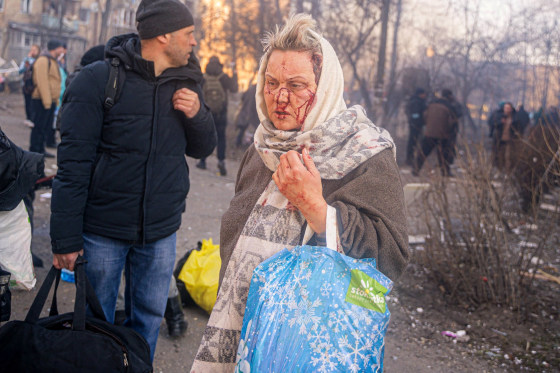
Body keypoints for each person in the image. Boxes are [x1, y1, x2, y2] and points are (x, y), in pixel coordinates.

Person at [192, 14, 409, 372]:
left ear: (324, 88)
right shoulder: (261, 148)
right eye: (271, 82)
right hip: (241, 338)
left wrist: (317, 208)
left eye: (295, 85)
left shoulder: (366, 154)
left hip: (313, 351)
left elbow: (392, 258)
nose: (279, 97)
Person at [49, 0, 216, 362]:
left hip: (159, 232)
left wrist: (198, 114)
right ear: (163, 35)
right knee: (96, 322)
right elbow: (73, 164)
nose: (193, 43)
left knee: (149, 321)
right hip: (102, 232)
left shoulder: (188, 81)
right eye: (188, 34)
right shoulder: (98, 80)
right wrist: (65, 238)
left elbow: (203, 147)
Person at [196, 56, 238, 176]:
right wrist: (235, 74)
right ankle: (221, 162)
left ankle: (202, 161)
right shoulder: (223, 77)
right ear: (219, 64)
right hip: (221, 113)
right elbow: (234, 89)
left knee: (206, 136)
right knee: (221, 137)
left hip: (206, 113)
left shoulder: (204, 77)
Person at [29, 40, 64, 158]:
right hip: (41, 100)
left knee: (44, 127)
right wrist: (47, 101)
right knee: (39, 126)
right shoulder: (43, 60)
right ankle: (35, 150)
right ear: (56, 48)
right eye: (61, 48)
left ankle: (40, 149)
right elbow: (42, 82)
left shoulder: (52, 61)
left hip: (50, 100)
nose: (63, 51)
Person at [412, 89, 458, 177]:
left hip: (429, 133)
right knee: (443, 155)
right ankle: (445, 172)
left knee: (423, 152)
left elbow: (425, 116)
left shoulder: (431, 104)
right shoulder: (449, 107)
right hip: (443, 135)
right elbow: (451, 122)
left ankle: (416, 169)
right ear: (449, 96)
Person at [491, 102, 524, 172]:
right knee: (499, 156)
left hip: (510, 141)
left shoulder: (515, 117)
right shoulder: (499, 115)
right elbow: (493, 124)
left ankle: (507, 172)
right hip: (499, 140)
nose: (507, 110)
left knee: (508, 157)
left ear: (511, 109)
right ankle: (499, 171)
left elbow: (519, 128)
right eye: (506, 108)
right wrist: (500, 122)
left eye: (508, 108)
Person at [19, 44, 40, 128]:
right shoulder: (26, 60)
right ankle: (28, 118)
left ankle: (33, 119)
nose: (33, 51)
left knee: (33, 103)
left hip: (35, 86)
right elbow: (20, 71)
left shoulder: (39, 60)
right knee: (27, 102)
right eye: (32, 49)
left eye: (35, 50)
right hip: (26, 85)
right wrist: (26, 62)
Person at [405, 87, 427, 166]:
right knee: (413, 142)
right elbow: (415, 114)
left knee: (414, 142)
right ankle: (409, 159)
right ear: (420, 94)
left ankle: (411, 158)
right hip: (415, 125)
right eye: (424, 94)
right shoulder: (416, 102)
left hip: (415, 124)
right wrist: (417, 122)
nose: (425, 95)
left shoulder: (416, 101)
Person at [234, 83, 259, 147]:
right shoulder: (261, 90)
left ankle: (238, 143)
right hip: (254, 113)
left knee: (243, 128)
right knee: (255, 129)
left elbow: (243, 97)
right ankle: (252, 145)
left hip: (246, 111)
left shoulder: (251, 88)